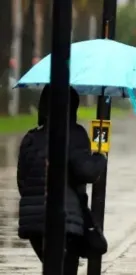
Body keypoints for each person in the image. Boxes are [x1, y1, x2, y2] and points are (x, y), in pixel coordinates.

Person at [17, 85, 107, 274]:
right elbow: (86, 171)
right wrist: (100, 158)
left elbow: (22, 182)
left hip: (34, 223)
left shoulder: (31, 138)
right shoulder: (74, 134)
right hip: (66, 222)